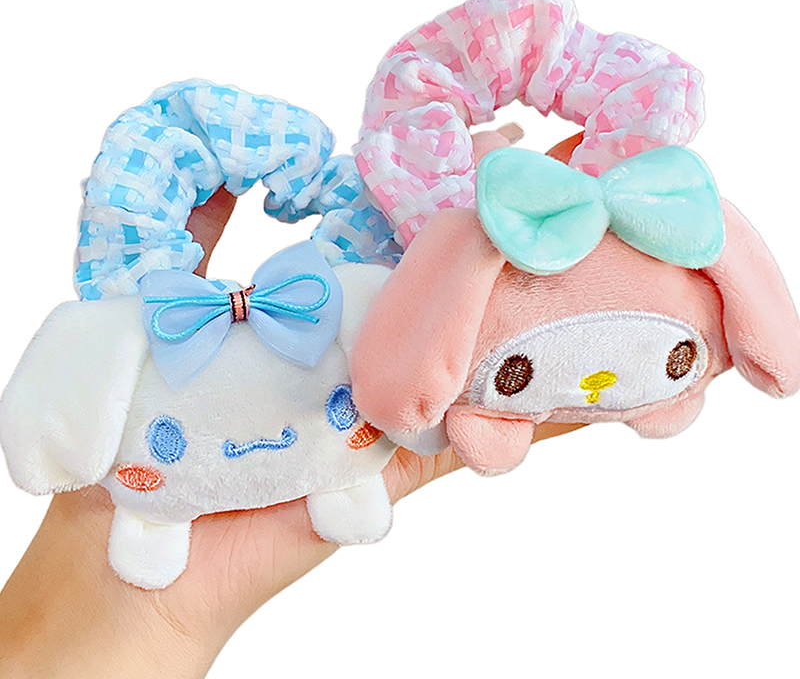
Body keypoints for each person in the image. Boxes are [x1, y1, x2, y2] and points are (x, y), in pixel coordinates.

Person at [0, 177, 582, 678]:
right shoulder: (130, 336)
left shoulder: (351, 307)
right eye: (166, 438)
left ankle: (318, 492)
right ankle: (167, 520)